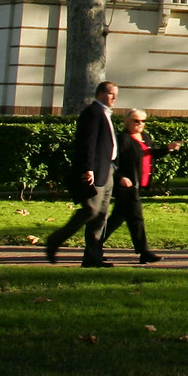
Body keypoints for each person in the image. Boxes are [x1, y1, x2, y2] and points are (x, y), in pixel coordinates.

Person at [45, 81, 119, 266]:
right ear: (100, 93)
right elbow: (87, 143)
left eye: (116, 94)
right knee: (91, 210)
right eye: (111, 94)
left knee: (101, 214)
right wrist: (88, 169)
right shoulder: (92, 113)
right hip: (95, 171)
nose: (114, 98)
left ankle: (93, 257)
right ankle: (55, 240)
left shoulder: (105, 114)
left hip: (107, 169)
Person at [104, 108, 182, 264]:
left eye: (143, 121)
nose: (140, 124)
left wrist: (167, 148)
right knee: (136, 218)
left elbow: (150, 154)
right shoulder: (123, 139)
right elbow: (112, 162)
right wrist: (120, 177)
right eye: (136, 121)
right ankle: (144, 252)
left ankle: (94, 245)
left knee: (117, 219)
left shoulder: (145, 137)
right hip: (127, 185)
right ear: (128, 122)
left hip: (138, 184)